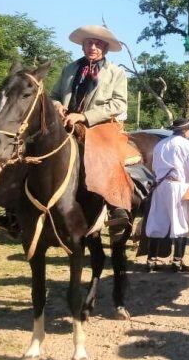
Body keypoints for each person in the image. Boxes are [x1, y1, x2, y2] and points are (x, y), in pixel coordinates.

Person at [49, 24, 131, 243]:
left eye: (97, 44)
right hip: (65, 122)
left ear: (104, 47)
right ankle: (16, 206)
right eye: (88, 43)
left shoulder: (116, 72)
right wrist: (57, 105)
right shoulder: (69, 68)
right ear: (83, 46)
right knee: (33, 147)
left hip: (100, 125)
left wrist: (84, 117)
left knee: (108, 155)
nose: (92, 47)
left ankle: (117, 208)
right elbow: (54, 94)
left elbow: (119, 103)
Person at [145, 118, 189, 272]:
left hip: (160, 187)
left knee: (157, 221)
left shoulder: (160, 144)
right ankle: (177, 262)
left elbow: (153, 167)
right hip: (179, 187)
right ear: (186, 131)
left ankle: (151, 261)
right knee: (181, 223)